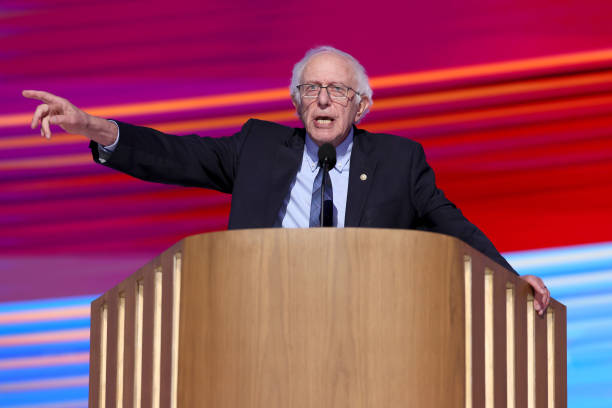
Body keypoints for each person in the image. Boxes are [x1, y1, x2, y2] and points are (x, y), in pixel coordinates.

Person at [22, 46, 550, 314]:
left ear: (361, 106)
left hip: (368, 330)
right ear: (296, 100)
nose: (323, 100)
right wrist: (91, 125)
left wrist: (509, 278)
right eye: (311, 88)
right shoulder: (258, 148)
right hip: (259, 320)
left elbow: (450, 225)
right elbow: (175, 156)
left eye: (338, 91)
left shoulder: (399, 161)